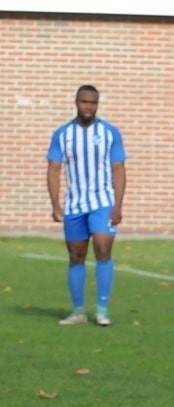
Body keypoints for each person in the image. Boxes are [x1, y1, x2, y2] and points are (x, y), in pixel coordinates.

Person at [46, 85, 126, 327]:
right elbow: (54, 169)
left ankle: (102, 309)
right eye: (84, 102)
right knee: (76, 255)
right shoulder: (63, 134)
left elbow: (119, 170)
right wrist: (55, 204)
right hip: (74, 204)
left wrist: (117, 205)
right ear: (76, 102)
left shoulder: (110, 133)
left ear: (97, 104)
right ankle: (78, 311)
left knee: (103, 248)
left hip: (103, 201)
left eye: (93, 102)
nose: (88, 107)